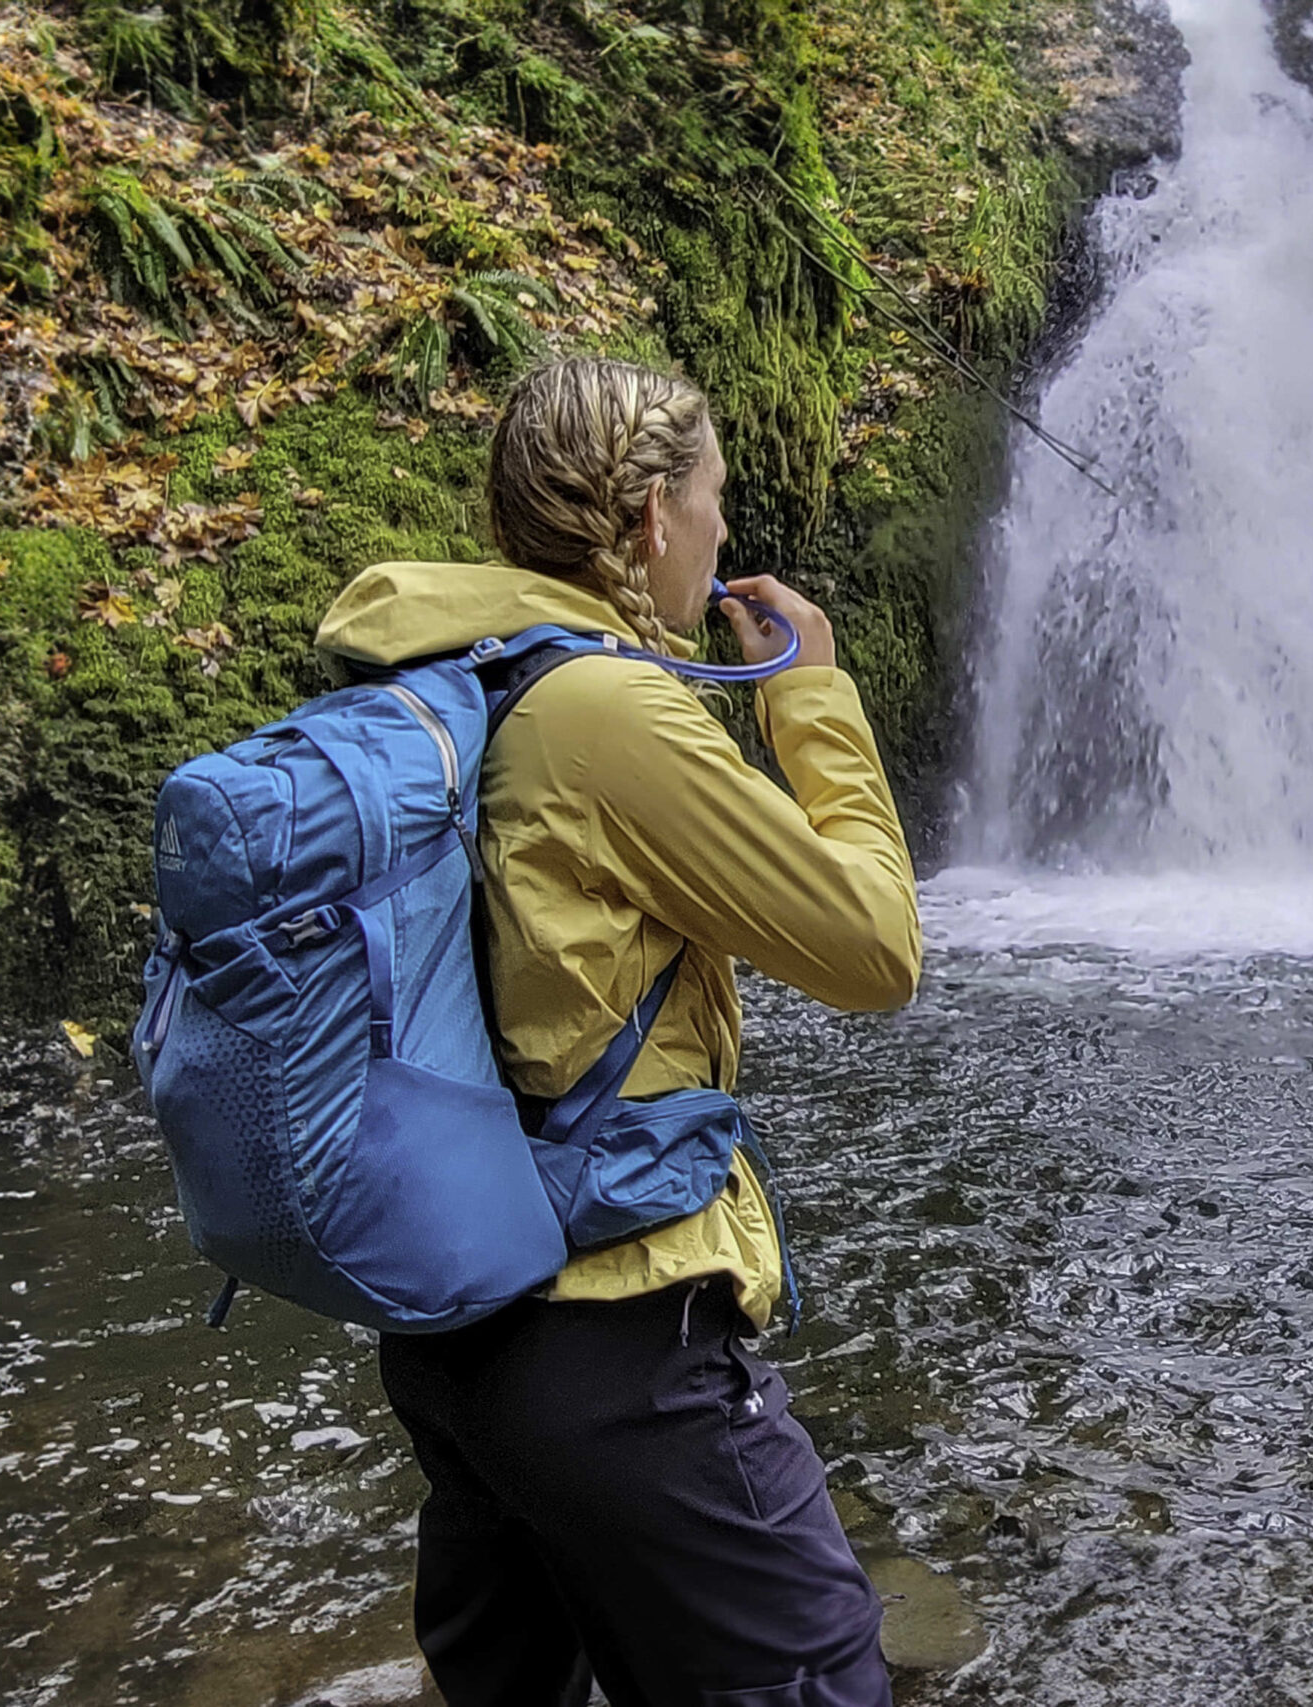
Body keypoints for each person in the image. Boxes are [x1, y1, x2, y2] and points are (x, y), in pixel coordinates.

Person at [312, 354, 922, 1707]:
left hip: (458, 1324)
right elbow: (876, 951)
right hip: (608, 1336)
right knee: (818, 1682)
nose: (720, 537)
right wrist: (808, 695)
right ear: (650, 520)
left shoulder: (451, 674)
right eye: (712, 501)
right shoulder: (604, 708)